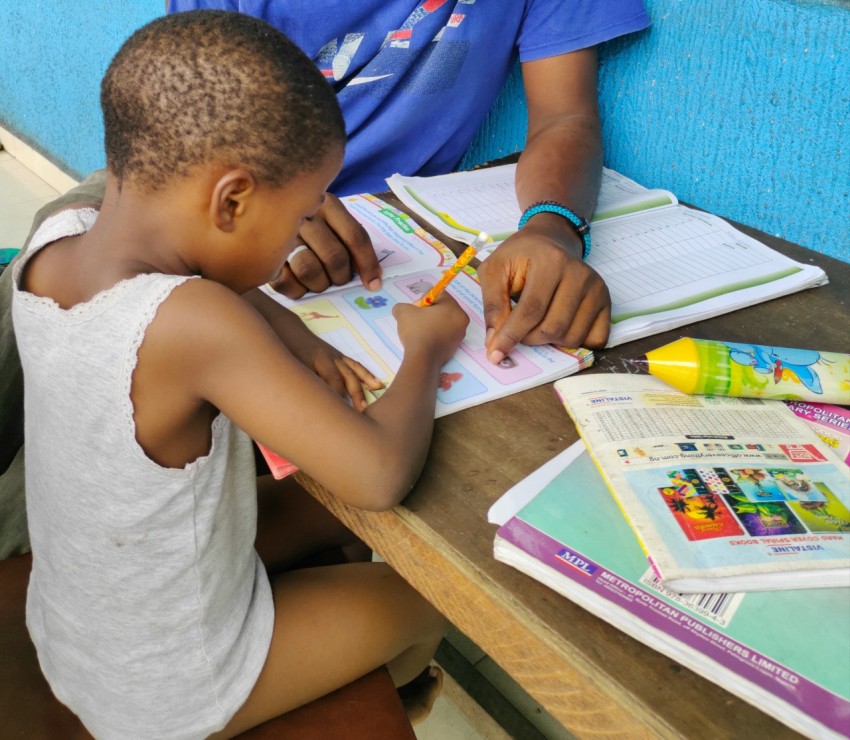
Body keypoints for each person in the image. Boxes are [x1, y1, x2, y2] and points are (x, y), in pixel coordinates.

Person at [11, 11, 467, 737]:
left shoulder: (56, 240)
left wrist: (298, 339)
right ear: (231, 202)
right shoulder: (195, 323)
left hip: (79, 623)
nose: (299, 238)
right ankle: (365, 697)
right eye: (297, 221)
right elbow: (378, 475)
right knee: (419, 600)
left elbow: (222, 291)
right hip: (158, 690)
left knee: (312, 511)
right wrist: (427, 350)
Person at [167, 0, 650, 359]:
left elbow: (563, 118)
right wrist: (265, 206)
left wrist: (553, 227)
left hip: (399, 235)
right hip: (224, 208)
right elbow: (185, 133)